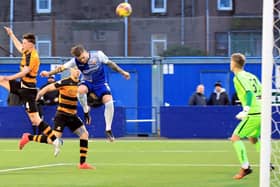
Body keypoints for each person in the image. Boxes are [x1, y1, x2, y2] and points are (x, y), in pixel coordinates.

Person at [40, 44, 131, 141]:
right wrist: (48, 73)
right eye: (80, 59)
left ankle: (108, 129)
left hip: (100, 83)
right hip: (87, 82)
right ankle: (86, 110)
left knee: (109, 101)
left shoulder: (98, 55)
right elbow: (61, 68)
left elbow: (110, 64)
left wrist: (123, 72)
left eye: (83, 57)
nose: (82, 60)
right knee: (80, 90)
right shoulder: (74, 61)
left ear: (86, 52)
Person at [0, 27, 61, 155]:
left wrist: (9, 77)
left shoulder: (33, 57)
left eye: (24, 43)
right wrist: (11, 34)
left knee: (36, 120)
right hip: (22, 87)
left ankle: (55, 140)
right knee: (0, 79)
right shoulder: (26, 51)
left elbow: (25, 72)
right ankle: (53, 140)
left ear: (31, 44)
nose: (22, 44)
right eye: (23, 42)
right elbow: (18, 47)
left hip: (28, 92)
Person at [19, 67, 94, 169]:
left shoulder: (81, 85)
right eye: (75, 69)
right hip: (62, 115)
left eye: (78, 69)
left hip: (72, 115)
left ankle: (82, 164)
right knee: (52, 140)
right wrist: (36, 99)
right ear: (71, 70)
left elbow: (84, 99)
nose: (77, 71)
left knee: (84, 134)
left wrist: (86, 113)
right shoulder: (64, 82)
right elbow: (47, 88)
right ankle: (29, 137)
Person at [230, 53, 262, 179]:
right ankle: (267, 163)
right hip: (261, 111)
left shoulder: (238, 77)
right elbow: (260, 91)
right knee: (253, 138)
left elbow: (248, 93)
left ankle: (245, 167)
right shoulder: (251, 75)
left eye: (230, 61)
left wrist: (246, 110)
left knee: (235, 138)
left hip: (253, 113)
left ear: (233, 63)